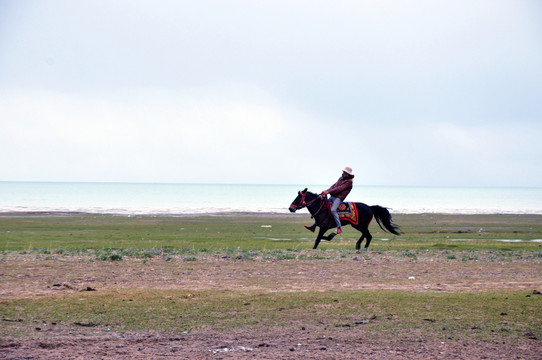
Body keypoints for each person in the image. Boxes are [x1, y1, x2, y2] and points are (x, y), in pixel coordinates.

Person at [305, 166, 355, 234]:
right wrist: (327, 190)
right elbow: (334, 186)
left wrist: (328, 192)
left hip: (339, 198)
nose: (343, 173)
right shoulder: (341, 178)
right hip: (333, 195)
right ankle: (313, 226)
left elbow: (339, 189)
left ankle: (339, 227)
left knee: (333, 210)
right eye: (343, 172)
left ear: (348, 174)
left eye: (345, 173)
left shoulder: (349, 182)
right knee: (324, 207)